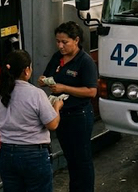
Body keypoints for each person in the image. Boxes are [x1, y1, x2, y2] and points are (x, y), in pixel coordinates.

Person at [0, 49, 62, 192]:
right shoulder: (36, 94)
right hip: (34, 156)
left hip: (7, 155)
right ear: (26, 71)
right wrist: (57, 107)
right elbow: (52, 124)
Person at [39, 22, 98, 192]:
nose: (60, 46)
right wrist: (43, 80)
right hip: (61, 114)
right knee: (70, 158)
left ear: (76, 40)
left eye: (64, 42)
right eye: (58, 41)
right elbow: (47, 75)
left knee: (82, 160)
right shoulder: (57, 57)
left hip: (79, 116)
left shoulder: (85, 62)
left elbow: (91, 91)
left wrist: (64, 88)